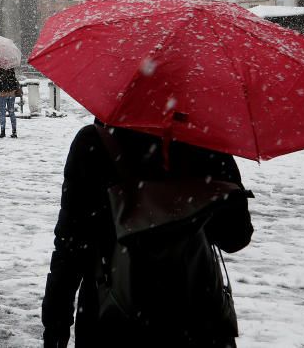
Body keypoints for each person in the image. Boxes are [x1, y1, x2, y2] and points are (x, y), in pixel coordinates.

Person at [41, 119, 254, 347]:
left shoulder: (95, 141)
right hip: (198, 321)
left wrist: (56, 329)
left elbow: (70, 248)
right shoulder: (205, 139)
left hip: (113, 322)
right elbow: (235, 237)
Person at [0, 64, 20, 138]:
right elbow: (13, 78)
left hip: (2, 93)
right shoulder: (10, 64)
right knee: (11, 112)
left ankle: (3, 132)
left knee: (2, 113)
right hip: (11, 92)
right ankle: (14, 132)